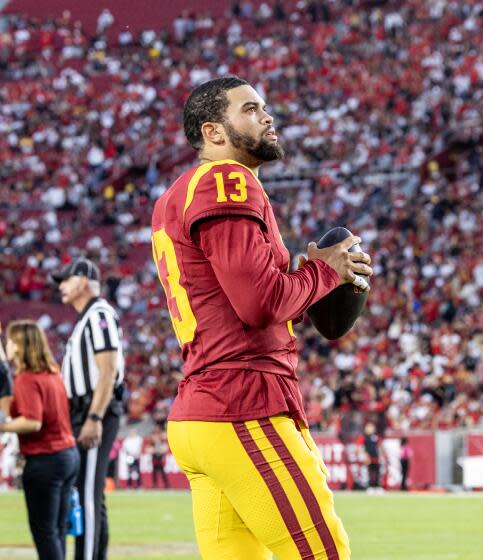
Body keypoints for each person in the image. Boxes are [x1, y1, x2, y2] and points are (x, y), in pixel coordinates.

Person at [151, 76, 372, 559]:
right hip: (242, 406)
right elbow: (260, 305)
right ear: (213, 132)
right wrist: (324, 273)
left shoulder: (176, 195)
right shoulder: (226, 179)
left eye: (264, 107)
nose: (267, 116)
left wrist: (306, 279)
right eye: (250, 109)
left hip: (204, 411)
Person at [53, 257, 126, 560]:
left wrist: (94, 417)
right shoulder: (87, 317)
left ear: (83, 280)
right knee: (90, 496)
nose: (61, 286)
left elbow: (108, 369)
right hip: (82, 411)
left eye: (66, 280)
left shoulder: (98, 313)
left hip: (93, 410)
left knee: (86, 495)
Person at [0, 320, 79, 560]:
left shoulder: (27, 378)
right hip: (67, 456)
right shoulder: (52, 374)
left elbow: (32, 422)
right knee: (56, 531)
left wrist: (2, 425)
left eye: (11, 340)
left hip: (45, 459)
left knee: (44, 533)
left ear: (21, 343)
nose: (8, 343)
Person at [360, 422, 382, 494]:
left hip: (376, 457)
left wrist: (381, 455)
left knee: (378, 472)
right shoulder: (364, 437)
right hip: (369, 457)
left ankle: (378, 486)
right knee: (370, 473)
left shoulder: (376, 437)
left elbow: (379, 446)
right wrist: (365, 456)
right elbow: (361, 447)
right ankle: (370, 487)